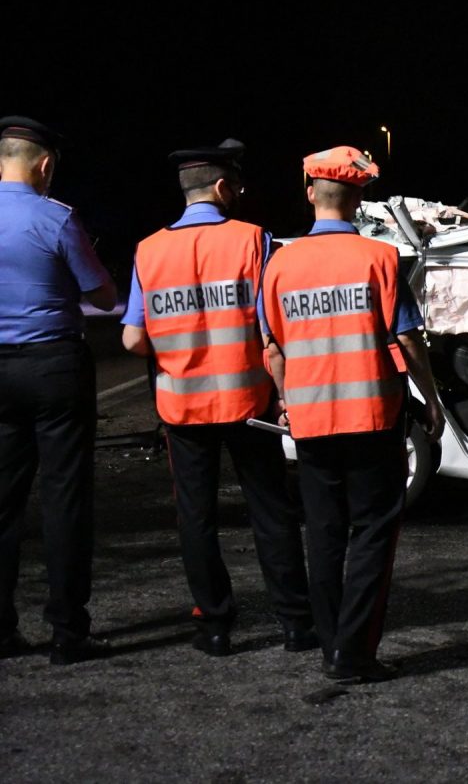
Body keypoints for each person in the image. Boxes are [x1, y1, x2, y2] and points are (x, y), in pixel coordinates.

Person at [121, 139, 315, 657]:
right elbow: (274, 325)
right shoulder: (254, 240)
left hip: (183, 409)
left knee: (197, 517)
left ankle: (213, 624)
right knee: (271, 511)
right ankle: (296, 622)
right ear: (224, 186)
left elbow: (133, 339)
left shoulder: (149, 249)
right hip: (249, 405)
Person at [261, 145, 442, 683]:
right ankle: (353, 653)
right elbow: (407, 340)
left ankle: (329, 646)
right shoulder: (380, 259)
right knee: (372, 533)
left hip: (312, 424)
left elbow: (273, 350)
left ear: (310, 193)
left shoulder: (278, 264)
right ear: (359, 199)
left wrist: (289, 399)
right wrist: (430, 399)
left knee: (323, 531)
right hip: (372, 419)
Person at [0, 115, 117, 664]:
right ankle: (68, 631)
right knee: (65, 498)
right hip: (54, 365)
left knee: (3, 502)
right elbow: (100, 289)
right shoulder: (56, 219)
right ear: (44, 165)